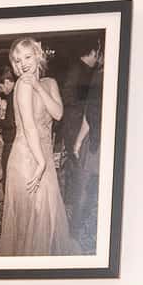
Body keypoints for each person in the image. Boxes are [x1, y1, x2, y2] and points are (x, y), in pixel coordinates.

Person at [0, 37, 76, 257]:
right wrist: (41, 162)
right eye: (17, 60)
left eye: (27, 57)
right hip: (26, 158)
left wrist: (39, 88)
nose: (22, 64)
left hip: (44, 158)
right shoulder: (21, 84)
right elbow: (29, 127)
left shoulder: (49, 83)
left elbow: (58, 114)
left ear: (38, 55)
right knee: (31, 219)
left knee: (46, 218)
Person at [60, 40, 102, 237]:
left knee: (76, 168)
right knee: (78, 169)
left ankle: (70, 203)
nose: (98, 59)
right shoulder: (78, 69)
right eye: (97, 54)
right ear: (92, 52)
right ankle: (72, 212)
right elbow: (67, 97)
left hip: (81, 124)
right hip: (74, 124)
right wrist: (86, 103)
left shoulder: (88, 70)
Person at [0, 65, 17, 185]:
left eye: (0, 87)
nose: (0, 91)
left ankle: (7, 203)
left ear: (7, 82)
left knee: (7, 178)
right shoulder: (15, 93)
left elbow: (10, 123)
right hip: (14, 142)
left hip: (11, 143)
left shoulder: (12, 96)